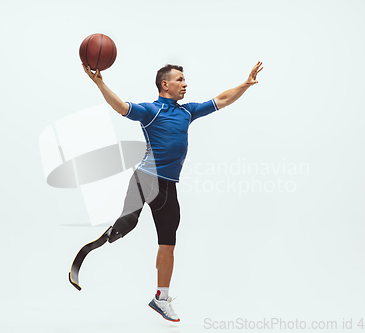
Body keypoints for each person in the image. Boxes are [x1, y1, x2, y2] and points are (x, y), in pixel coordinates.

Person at [83, 61, 263, 322]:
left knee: (168, 246)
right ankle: (102, 239)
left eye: (184, 79)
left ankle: (161, 298)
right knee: (128, 223)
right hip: (146, 178)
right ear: (165, 84)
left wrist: (245, 84)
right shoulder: (150, 111)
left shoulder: (188, 112)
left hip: (169, 187)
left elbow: (221, 100)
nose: (185, 84)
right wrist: (99, 82)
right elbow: (121, 107)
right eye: (180, 79)